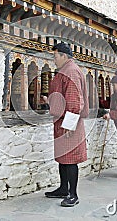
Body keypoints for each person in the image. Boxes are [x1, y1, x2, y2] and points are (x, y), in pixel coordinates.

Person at [43, 42, 89, 207]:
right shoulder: (65, 71)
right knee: (63, 158)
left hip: (69, 124)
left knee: (70, 159)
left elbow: (74, 100)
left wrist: (70, 125)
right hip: (62, 122)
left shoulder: (71, 71)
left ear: (63, 55)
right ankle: (63, 188)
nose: (54, 60)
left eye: (55, 56)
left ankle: (73, 194)